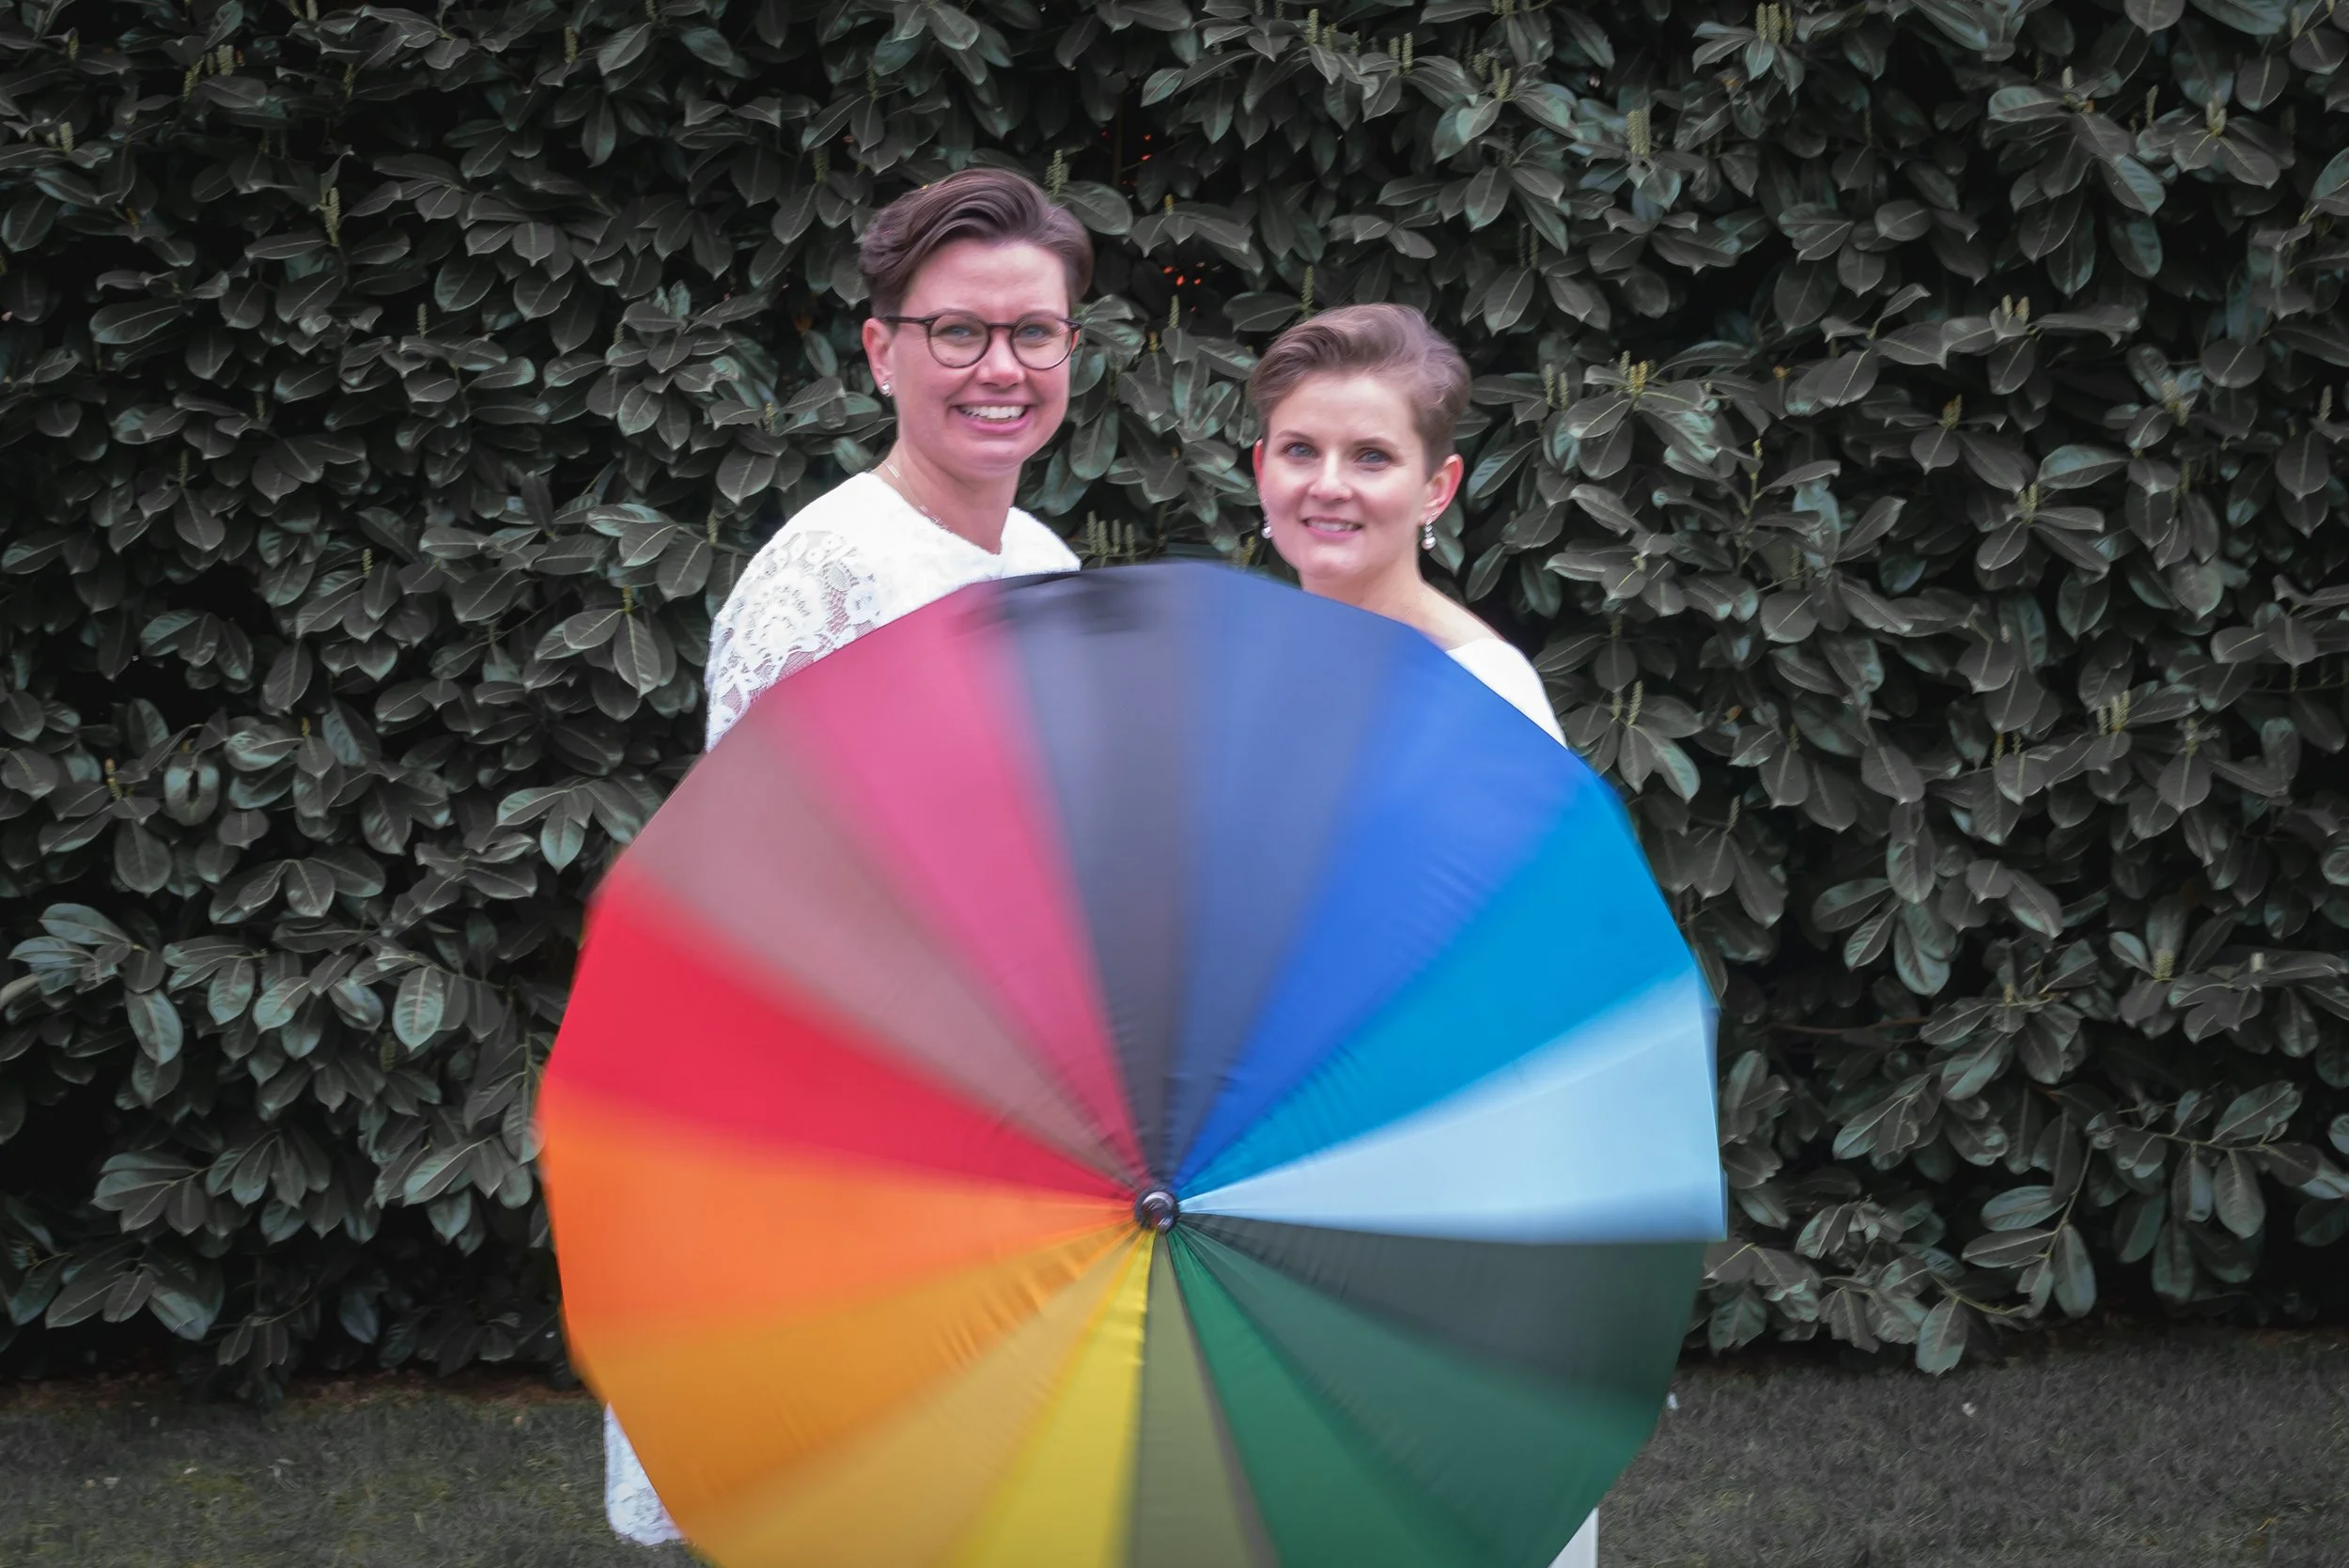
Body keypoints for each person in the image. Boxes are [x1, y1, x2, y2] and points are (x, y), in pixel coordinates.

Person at [602, 164, 1092, 1547]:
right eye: (958, 331)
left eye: (1034, 332)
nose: (1000, 368)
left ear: (1073, 350)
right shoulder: (823, 578)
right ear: (881, 351)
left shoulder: (1048, 568)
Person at [1249, 302, 1596, 1568]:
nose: (1327, 486)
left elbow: (1534, 994)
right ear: (1258, 466)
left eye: (1370, 457)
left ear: (1439, 483)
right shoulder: (1242, 665)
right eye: (1299, 450)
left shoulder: (1482, 698)